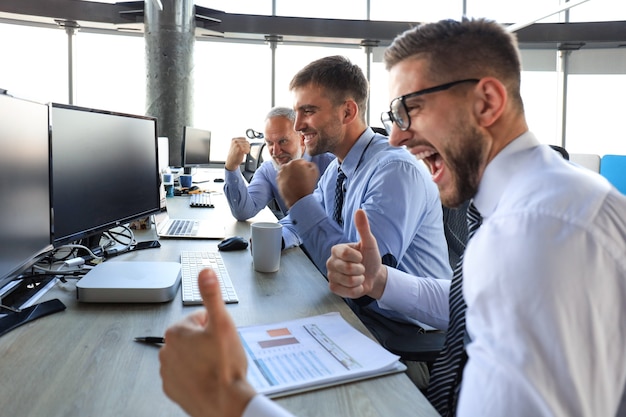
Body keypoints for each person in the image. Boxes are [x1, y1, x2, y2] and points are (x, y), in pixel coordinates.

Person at [159, 18, 626, 417]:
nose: (398, 138)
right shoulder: (519, 209)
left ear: (486, 103)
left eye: (411, 109)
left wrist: (234, 403)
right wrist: (381, 281)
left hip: (408, 343)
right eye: (393, 114)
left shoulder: (543, 231)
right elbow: (467, 301)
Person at [275, 55, 452, 354]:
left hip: (404, 335)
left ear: (347, 111)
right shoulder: (336, 169)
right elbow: (297, 223)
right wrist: (272, 238)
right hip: (360, 316)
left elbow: (357, 278)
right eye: (296, 112)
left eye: (308, 111)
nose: (297, 125)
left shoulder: (395, 170)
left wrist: (300, 201)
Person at [223, 106, 334, 221]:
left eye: (283, 141)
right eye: (270, 143)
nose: (275, 152)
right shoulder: (268, 171)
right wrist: (232, 167)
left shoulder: (331, 166)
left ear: (302, 138)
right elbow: (243, 211)